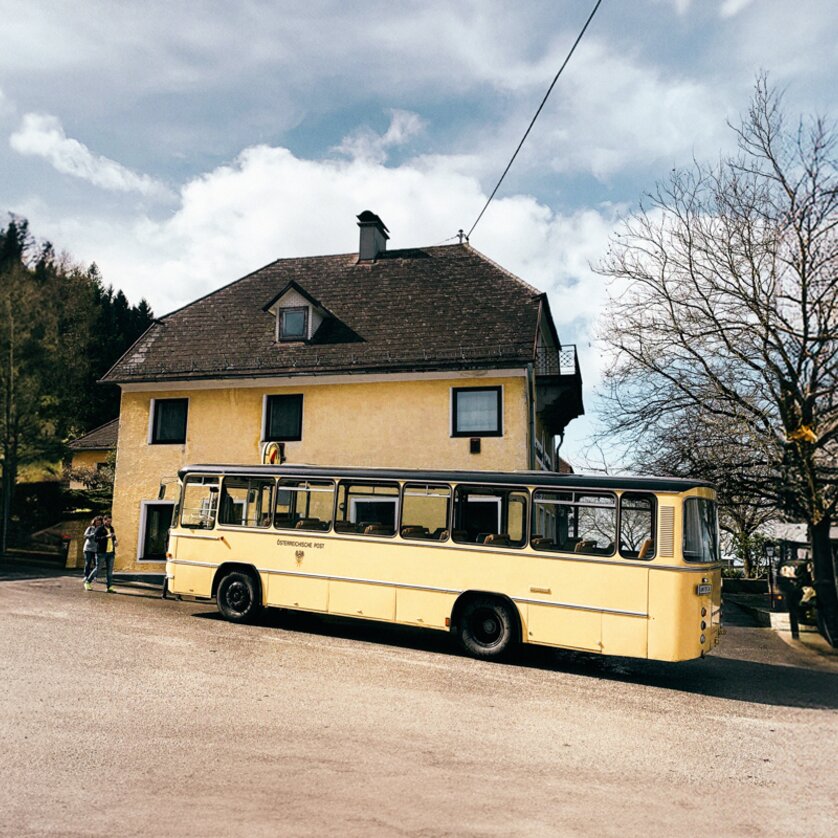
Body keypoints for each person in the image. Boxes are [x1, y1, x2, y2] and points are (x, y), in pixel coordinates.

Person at [93, 515, 118, 593]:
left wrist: (115, 542)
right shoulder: (99, 529)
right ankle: (88, 581)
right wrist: (106, 536)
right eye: (108, 521)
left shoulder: (111, 528)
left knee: (110, 572)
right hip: (102, 552)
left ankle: (109, 587)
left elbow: (113, 537)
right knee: (98, 569)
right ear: (104, 521)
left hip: (111, 553)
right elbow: (95, 539)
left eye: (110, 521)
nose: (109, 523)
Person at [82, 516, 103, 591]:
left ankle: (94, 576)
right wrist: (93, 534)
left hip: (96, 549)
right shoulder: (90, 528)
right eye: (97, 521)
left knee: (96, 564)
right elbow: (85, 536)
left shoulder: (101, 529)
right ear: (94, 521)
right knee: (88, 563)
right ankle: (86, 576)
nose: (98, 522)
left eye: (100, 521)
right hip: (88, 548)